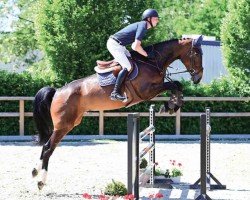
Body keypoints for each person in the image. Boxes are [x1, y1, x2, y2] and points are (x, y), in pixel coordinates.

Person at [107, 8, 159, 101]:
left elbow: (133, 45)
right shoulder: (143, 25)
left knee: (132, 59)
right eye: (156, 18)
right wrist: (146, 55)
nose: (157, 20)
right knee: (128, 66)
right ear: (149, 19)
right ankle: (115, 92)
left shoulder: (142, 26)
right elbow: (135, 46)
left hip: (120, 45)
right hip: (114, 44)